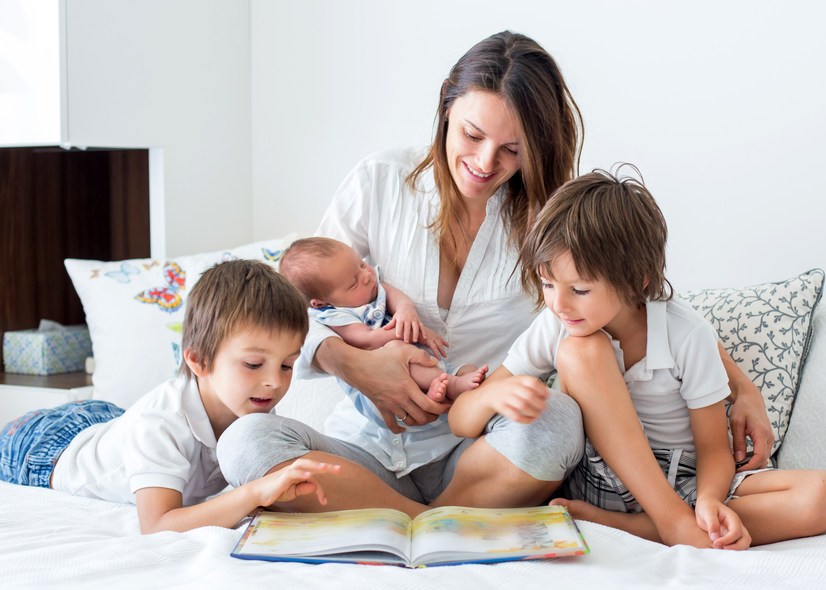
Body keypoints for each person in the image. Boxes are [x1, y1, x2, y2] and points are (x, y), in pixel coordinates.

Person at [217, 30, 772, 517]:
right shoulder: (379, 182)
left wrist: (741, 389)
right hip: (364, 447)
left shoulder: (552, 217)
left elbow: (640, 308)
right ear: (445, 110)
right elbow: (290, 312)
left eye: (512, 149)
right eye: (471, 135)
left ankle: (400, 516)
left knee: (556, 422)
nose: (486, 163)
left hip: (483, 453)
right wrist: (356, 365)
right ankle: (424, 517)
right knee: (245, 445)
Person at [449, 168, 826, 548]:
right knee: (582, 349)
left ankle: (638, 527)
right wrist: (489, 397)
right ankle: (673, 523)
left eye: (580, 290)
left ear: (637, 279)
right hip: (599, 476)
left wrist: (710, 500)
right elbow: (461, 421)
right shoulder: (558, 325)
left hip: (684, 481)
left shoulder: (686, 333)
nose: (558, 304)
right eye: (548, 284)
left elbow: (712, 448)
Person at [0, 260, 339, 534]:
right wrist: (251, 494)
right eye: (253, 364)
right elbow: (158, 524)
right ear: (198, 361)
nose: (273, 382)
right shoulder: (160, 424)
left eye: (287, 365)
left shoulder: (254, 400)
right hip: (45, 447)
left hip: (109, 420)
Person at [279, 236, 488, 402]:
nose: (367, 276)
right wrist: (417, 333)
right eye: (353, 283)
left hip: (421, 362)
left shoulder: (371, 286)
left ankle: (451, 382)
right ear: (320, 302)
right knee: (399, 350)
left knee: (469, 370)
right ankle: (447, 386)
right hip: (387, 379)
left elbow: (392, 294)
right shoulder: (336, 315)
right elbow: (367, 339)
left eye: (361, 265)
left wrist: (406, 311)